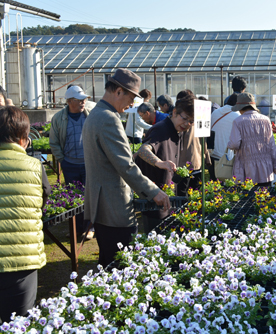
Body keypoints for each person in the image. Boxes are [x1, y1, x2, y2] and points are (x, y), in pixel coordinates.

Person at [82, 68, 170, 268]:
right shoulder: (108, 118)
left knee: (108, 262)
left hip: (101, 202)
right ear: (118, 91)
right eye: (131, 98)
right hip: (113, 205)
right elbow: (125, 165)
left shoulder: (96, 113)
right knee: (120, 264)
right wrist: (153, 190)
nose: (132, 104)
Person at [0, 106, 51, 321]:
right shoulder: (34, 166)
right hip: (24, 259)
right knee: (19, 321)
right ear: (24, 138)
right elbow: (43, 198)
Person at [135, 96, 196, 233]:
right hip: (153, 200)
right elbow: (143, 150)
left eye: (191, 121)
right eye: (184, 118)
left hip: (164, 197)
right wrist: (159, 162)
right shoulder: (161, 129)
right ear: (174, 112)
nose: (187, 124)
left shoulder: (177, 130)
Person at [49, 85, 94, 240]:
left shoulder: (90, 116)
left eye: (84, 100)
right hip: (70, 164)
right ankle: (76, 229)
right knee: (74, 198)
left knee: (89, 196)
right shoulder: (59, 118)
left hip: (89, 164)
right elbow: (53, 142)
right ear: (69, 101)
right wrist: (62, 160)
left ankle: (89, 228)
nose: (83, 103)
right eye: (80, 100)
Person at [227, 92, 276, 186]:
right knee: (263, 197)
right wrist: (275, 166)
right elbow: (272, 145)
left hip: (246, 169)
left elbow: (235, 144)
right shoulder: (266, 120)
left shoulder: (238, 121)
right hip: (265, 169)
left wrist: (229, 144)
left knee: (247, 198)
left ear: (240, 108)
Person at [175, 90, 210, 196]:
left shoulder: (181, 118)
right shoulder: (200, 114)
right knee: (196, 192)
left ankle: (183, 211)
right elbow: (203, 139)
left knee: (182, 192)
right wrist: (207, 156)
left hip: (183, 161)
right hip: (197, 159)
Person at [210, 93, 240, 180]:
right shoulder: (237, 116)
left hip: (213, 154)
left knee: (213, 184)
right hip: (227, 157)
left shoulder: (215, 112)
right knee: (228, 184)